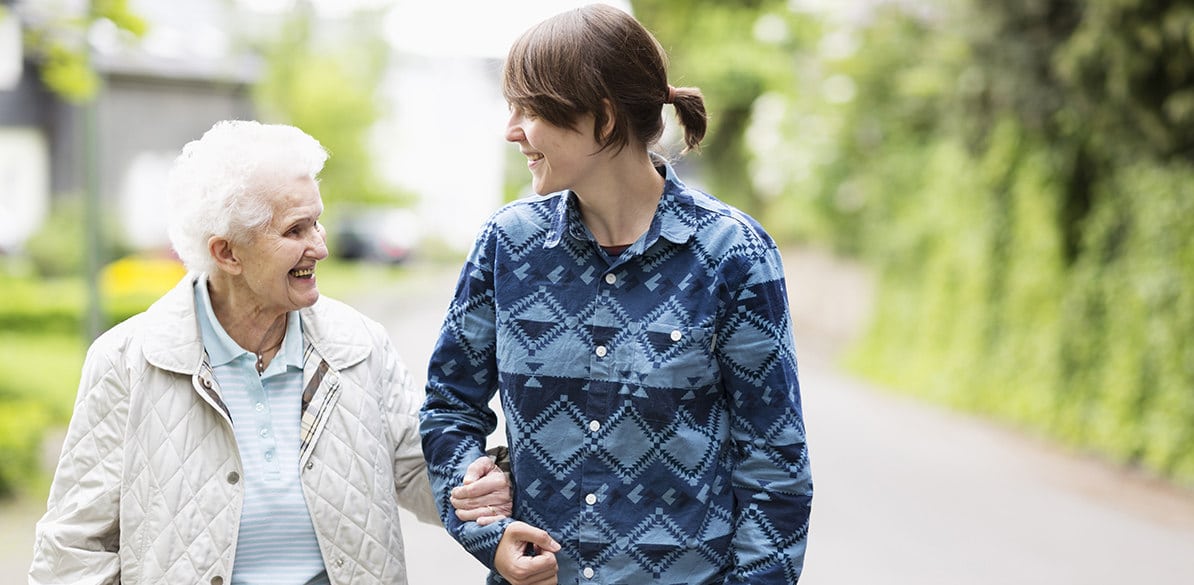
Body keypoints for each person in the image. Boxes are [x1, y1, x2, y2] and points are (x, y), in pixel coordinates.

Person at [420, 4, 813, 584]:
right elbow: (449, 408)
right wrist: (485, 529)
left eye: (530, 110)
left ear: (603, 118)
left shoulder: (732, 255)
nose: (512, 131)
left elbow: (774, 467)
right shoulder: (507, 244)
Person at [29, 120, 511, 585]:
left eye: (317, 223)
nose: (320, 247)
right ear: (227, 253)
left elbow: (419, 470)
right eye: (295, 231)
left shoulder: (360, 344)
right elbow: (74, 547)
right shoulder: (129, 360)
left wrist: (477, 481)